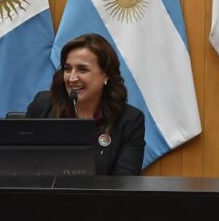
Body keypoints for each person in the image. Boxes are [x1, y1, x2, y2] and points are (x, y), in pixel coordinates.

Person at [25, 33, 145, 175]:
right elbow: (21, 165)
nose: (72, 78)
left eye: (82, 69)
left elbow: (124, 183)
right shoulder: (43, 105)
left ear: (106, 75)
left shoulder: (129, 120)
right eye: (68, 69)